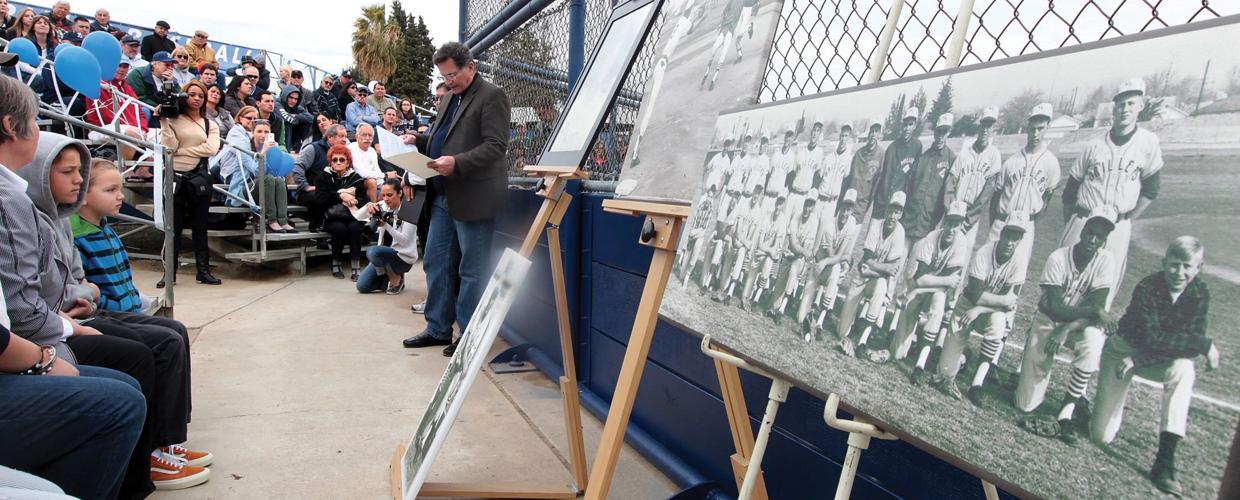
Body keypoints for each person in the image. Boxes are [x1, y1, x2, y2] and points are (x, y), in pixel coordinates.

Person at [0, 77, 147, 499]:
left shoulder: (42, 209)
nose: (78, 180)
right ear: (14, 127)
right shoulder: (11, 201)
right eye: (34, 120)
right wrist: (45, 358)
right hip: (35, 336)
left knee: (132, 375)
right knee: (121, 396)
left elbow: (70, 281)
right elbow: (26, 308)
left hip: (44, 327)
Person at [404, 42, 510, 355]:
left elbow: (495, 146)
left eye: (453, 74)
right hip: (442, 195)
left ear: (470, 66)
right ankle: (437, 328)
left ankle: (470, 335)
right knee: (436, 262)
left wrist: (457, 162)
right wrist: (419, 140)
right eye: (444, 76)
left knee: (472, 270)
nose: (449, 81)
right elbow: (445, 138)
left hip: (473, 195)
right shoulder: (450, 97)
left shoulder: (492, 95)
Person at [1090, 236, 1218, 496]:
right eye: (1174, 265)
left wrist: (1140, 360)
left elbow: (1188, 346)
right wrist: (1204, 345)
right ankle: (1090, 410)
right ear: (1164, 263)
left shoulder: (1200, 292)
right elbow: (1153, 338)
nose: (1179, 272)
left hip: (1145, 359)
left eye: (1187, 266)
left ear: (1198, 268)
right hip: (1122, 351)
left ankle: (1165, 462)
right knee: (1100, 437)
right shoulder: (1148, 286)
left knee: (1184, 369)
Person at [1013, 207, 1118, 445]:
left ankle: (1067, 411)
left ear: (1104, 240)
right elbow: (1056, 308)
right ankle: (1037, 394)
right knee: (1024, 404)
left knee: (1093, 340)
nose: (1093, 239)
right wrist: (1095, 311)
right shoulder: (1058, 257)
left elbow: (1096, 312)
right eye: (1090, 232)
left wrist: (1068, 329)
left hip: (1076, 327)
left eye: (1099, 236)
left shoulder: (1106, 261)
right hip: (1047, 321)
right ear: (1082, 232)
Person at [1060, 78, 1161, 306]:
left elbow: (1152, 189)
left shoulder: (1148, 142)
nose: (1125, 109)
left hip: (1117, 223)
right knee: (1064, 279)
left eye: (1131, 104)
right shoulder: (1093, 145)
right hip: (1085, 218)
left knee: (1103, 287)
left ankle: (1086, 337)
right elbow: (1071, 189)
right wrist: (1073, 222)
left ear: (1141, 106)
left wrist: (1126, 220)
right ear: (1114, 108)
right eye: (1121, 104)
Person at [932, 212, 1032, 403]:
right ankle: (962, 359)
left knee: (999, 322)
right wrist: (996, 302)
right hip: (967, 305)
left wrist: (979, 310)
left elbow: (1010, 302)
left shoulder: (1020, 260)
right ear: (1002, 234)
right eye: (1009, 235)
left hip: (987, 311)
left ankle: (977, 384)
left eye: (1016, 237)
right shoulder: (985, 252)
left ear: (1020, 240)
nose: (1010, 241)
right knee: (944, 374)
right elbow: (977, 294)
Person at [877, 201, 969, 375]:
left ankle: (920, 363)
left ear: (961, 225)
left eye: (956, 224)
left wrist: (921, 287)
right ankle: (914, 339)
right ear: (944, 222)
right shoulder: (932, 237)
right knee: (897, 354)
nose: (951, 228)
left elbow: (951, 284)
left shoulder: (962, 243)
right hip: (919, 290)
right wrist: (921, 288)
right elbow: (920, 279)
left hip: (935, 294)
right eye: (949, 222)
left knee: (938, 299)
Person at [160, 80, 222, 286]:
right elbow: (169, 146)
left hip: (198, 178)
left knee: (200, 227)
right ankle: (169, 273)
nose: (196, 98)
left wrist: (182, 151)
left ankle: (203, 271)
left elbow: (211, 149)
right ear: (183, 96)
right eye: (192, 94)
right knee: (173, 228)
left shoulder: (209, 124)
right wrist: (164, 122)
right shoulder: (173, 119)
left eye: (201, 95)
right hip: (174, 177)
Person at [836, 192, 908, 358]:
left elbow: (893, 269)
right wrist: (880, 269)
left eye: (897, 212)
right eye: (891, 210)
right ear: (886, 210)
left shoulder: (900, 233)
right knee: (842, 332)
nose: (892, 215)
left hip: (873, 278)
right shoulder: (876, 225)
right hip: (861, 277)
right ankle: (850, 329)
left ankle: (863, 339)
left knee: (882, 285)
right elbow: (867, 259)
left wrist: (874, 270)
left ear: (901, 214)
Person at [802, 189, 861, 340]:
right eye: (844, 208)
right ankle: (809, 314)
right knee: (801, 317)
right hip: (818, 268)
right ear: (839, 207)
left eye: (849, 209)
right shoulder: (829, 223)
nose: (846, 213)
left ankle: (820, 320)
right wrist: (839, 258)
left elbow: (838, 256)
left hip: (827, 265)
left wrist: (837, 260)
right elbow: (832, 253)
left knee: (836, 270)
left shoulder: (851, 225)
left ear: (852, 210)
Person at [945, 105, 1002, 249]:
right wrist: (950, 208)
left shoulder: (994, 155)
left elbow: (987, 193)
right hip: (955, 208)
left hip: (972, 215)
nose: (985, 129)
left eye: (989, 126)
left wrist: (969, 220)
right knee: (943, 249)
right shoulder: (965, 153)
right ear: (979, 126)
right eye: (983, 125)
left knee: (962, 254)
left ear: (993, 129)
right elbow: (950, 183)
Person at [85, 60, 153, 168]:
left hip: (128, 126)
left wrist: (143, 129)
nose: (121, 69)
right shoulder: (100, 85)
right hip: (101, 127)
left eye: (125, 66)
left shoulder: (126, 87)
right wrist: (136, 129)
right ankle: (122, 171)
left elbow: (139, 112)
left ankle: (143, 170)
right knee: (130, 133)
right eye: (118, 66)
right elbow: (106, 114)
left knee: (160, 134)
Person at [314, 144, 368, 280]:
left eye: (342, 160)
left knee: (355, 228)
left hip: (352, 216)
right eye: (335, 160)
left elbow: (364, 200)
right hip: (330, 217)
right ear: (330, 162)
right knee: (339, 228)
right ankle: (335, 263)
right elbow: (320, 199)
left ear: (348, 162)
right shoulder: (323, 176)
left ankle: (355, 266)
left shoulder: (356, 177)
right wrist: (340, 196)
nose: (338, 162)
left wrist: (355, 201)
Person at [902, 113, 956, 250]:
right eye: (938, 131)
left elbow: (949, 195)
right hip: (909, 221)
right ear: (935, 132)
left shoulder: (951, 160)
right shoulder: (922, 158)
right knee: (896, 263)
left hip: (928, 226)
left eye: (944, 132)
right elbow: (909, 187)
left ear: (949, 132)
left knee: (913, 268)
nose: (940, 136)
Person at [356, 178, 419, 294]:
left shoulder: (409, 210)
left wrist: (386, 225)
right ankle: (389, 278)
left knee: (372, 252)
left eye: (390, 195)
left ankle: (395, 277)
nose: (386, 199)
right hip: (383, 255)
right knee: (362, 286)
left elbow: (404, 240)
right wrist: (369, 205)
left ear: (400, 193)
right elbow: (358, 216)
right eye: (383, 195)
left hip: (402, 257)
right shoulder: (383, 205)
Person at [294, 123, 348, 232]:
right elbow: (298, 167)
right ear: (330, 137)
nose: (345, 139)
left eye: (346, 136)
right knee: (321, 196)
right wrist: (305, 186)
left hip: (331, 190)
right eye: (341, 136)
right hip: (310, 192)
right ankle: (318, 227)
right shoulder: (313, 148)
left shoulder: (344, 153)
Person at [843, 122, 884, 221]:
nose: (873, 134)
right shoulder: (859, 153)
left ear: (879, 135)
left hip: (862, 203)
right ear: (868, 133)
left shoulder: (881, 154)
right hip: (850, 199)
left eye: (876, 131)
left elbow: (877, 182)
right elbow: (849, 179)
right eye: (872, 131)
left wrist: (868, 203)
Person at [127, 51, 178, 122]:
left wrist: (168, 84)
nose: (170, 68)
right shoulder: (138, 74)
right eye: (167, 65)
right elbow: (139, 98)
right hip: (144, 112)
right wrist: (160, 107)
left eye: (172, 65)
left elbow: (178, 99)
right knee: (145, 111)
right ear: (155, 65)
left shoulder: (171, 79)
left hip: (165, 116)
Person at [349, 123, 387, 199]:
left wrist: (384, 186)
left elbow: (376, 170)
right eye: (364, 135)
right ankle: (373, 208)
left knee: (390, 186)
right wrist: (385, 175)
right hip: (355, 183)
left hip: (372, 181)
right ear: (357, 136)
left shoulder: (372, 150)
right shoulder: (351, 148)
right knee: (371, 181)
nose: (367, 138)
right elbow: (361, 173)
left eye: (370, 135)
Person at [275, 84, 314, 150]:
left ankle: (303, 149)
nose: (293, 101)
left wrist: (296, 116)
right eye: (291, 97)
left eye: (296, 99)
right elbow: (288, 119)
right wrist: (297, 118)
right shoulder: (276, 103)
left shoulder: (296, 106)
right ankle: (287, 150)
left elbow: (311, 118)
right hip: (276, 135)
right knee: (287, 124)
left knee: (307, 123)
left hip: (293, 136)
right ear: (285, 95)